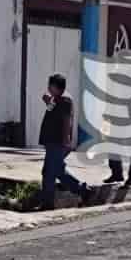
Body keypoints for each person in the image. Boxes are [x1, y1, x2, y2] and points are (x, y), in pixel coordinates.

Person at [38, 73, 91, 208]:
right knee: (57, 171)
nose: (48, 88)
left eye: (50, 86)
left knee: (49, 173)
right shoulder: (58, 98)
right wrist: (47, 99)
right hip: (53, 142)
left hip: (58, 142)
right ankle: (83, 190)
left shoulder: (65, 100)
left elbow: (67, 121)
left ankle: (47, 203)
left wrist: (66, 140)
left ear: (56, 87)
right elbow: (50, 105)